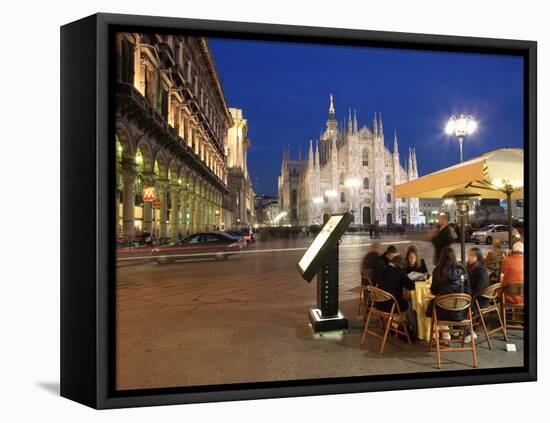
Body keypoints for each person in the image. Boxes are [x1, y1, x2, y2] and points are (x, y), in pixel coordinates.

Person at [428, 247, 471, 340]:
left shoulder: (437, 270)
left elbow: (434, 291)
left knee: (429, 304)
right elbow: (468, 290)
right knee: (449, 306)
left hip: (442, 312)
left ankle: (444, 334)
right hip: (461, 311)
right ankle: (461, 332)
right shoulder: (462, 268)